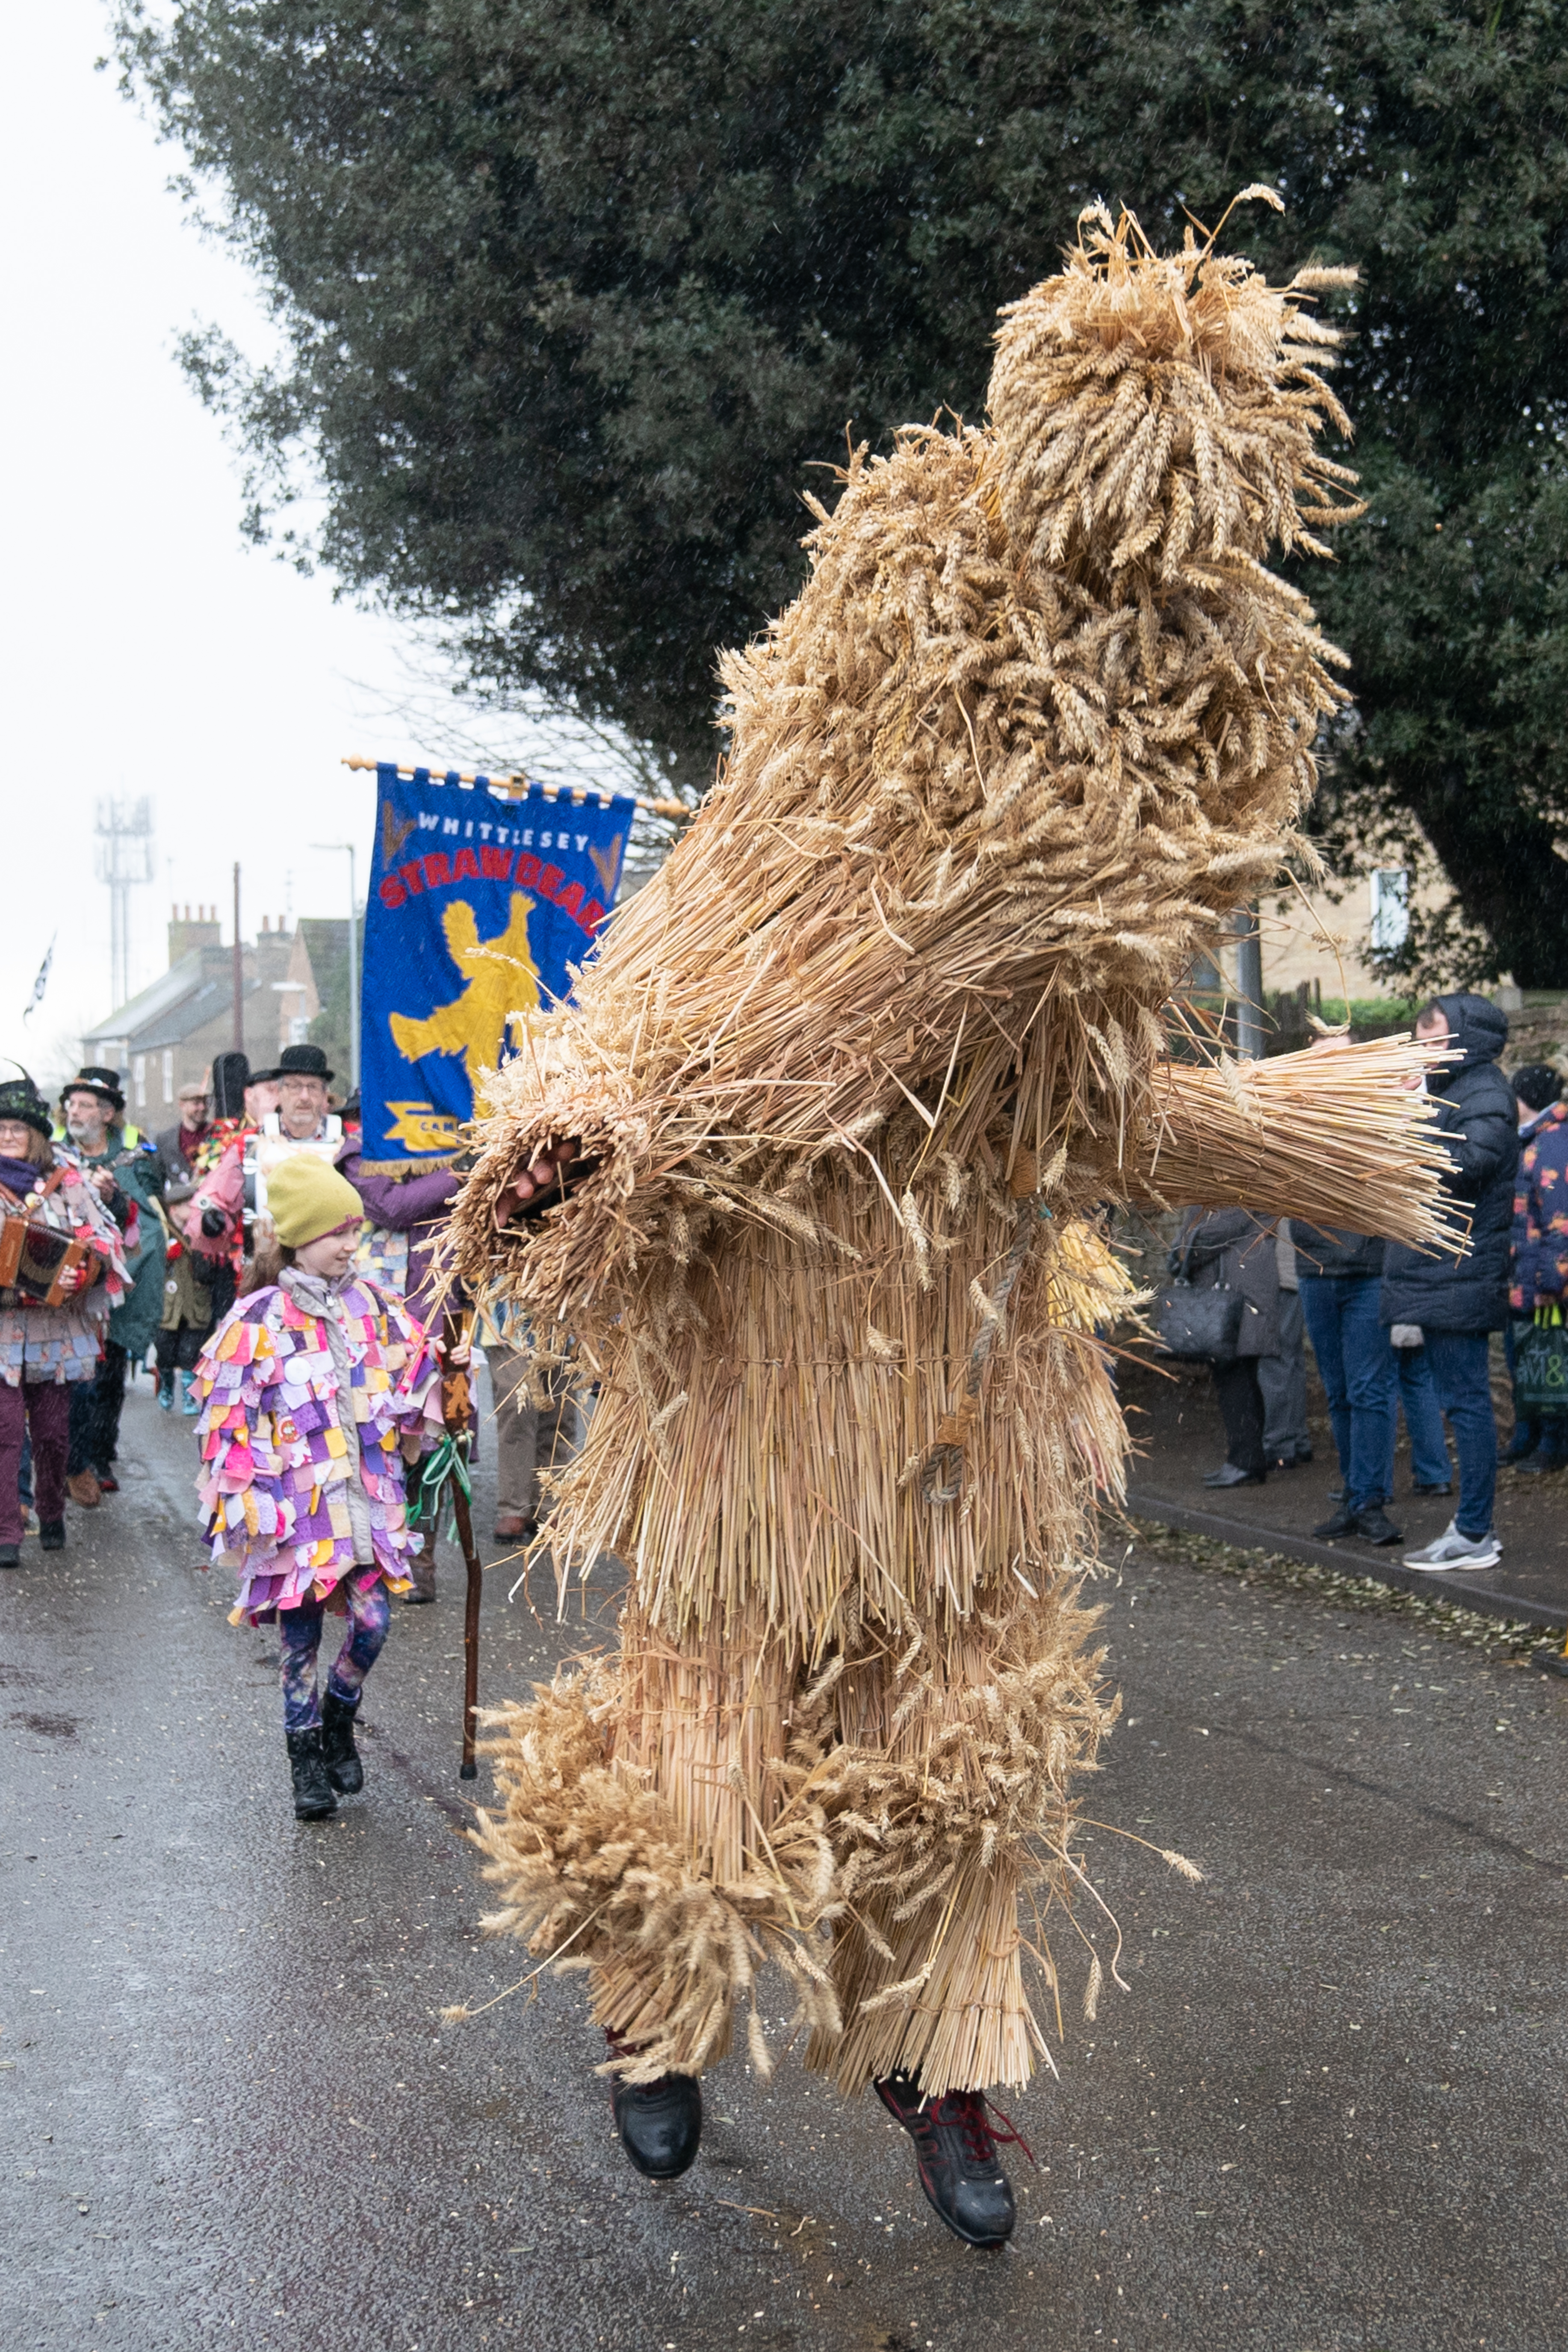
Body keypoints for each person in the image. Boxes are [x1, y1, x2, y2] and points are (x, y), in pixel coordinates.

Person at [189, 1154, 441, 1819]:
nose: (350, 1246)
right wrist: (248, 1496)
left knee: (374, 1625)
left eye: (355, 1232)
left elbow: (413, 1371)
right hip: (295, 1517)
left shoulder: (376, 1306)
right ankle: (304, 1760)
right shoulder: (257, 1318)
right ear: (301, 1236)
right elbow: (228, 1413)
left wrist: (448, 1371)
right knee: (297, 1643)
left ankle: (340, 1712)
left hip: (366, 1506)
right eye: (338, 1234)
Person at [1389, 995, 1520, 1573]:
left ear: (1469, 1038)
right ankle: (1471, 1529)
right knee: (1457, 1403)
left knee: (1466, 1406)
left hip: (1461, 1274)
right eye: (1420, 1040)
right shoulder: (1454, 1092)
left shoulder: (1486, 1093)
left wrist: (1414, 1110)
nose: (1425, 1050)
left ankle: (1473, 1533)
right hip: (1441, 1274)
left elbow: (1467, 1165)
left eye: (1436, 1039)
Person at [0, 1075, 129, 1567]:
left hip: (56, 1328)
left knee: (54, 1434)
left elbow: (106, 1239)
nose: (9, 1135)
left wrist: (86, 1270)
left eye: (19, 1128)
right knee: (5, 1430)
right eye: (2, 1127)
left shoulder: (66, 1178)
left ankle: (52, 1509)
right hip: (3, 1330)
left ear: (36, 1134)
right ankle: (8, 1528)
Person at [337, 1148, 467, 1602]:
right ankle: (374, 1557)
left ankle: (420, 1565)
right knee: (379, 1447)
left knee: (440, 1449)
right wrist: (458, 1174)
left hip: (447, 1325)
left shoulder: (453, 1148)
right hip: (379, 1335)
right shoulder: (359, 1156)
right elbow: (393, 1208)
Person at [55, 1067, 166, 1504]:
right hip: (73, 1287)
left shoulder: (134, 1158)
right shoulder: (57, 1156)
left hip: (124, 1281)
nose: (73, 1111)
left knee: (109, 1374)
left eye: (83, 1104)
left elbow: (150, 1215)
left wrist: (118, 1198)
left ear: (106, 1113)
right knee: (74, 1377)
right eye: (71, 1104)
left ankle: (99, 1457)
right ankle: (73, 1458)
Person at [1173, 1207, 1280, 1489]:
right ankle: (1246, 1459)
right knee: (1237, 1378)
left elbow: (1215, 1231)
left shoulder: (1243, 1187)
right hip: (1236, 1295)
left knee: (1235, 1378)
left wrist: (1181, 1252)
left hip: (1237, 1298)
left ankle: (1245, 1462)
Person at [1507, 1064, 1568, 1474]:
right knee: (1524, 1356)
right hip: (1525, 1276)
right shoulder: (1532, 1139)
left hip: (1544, 1282)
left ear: (1523, 1098)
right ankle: (1527, 1436)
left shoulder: (1549, 1145)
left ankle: (1552, 1444)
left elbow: (1558, 1218)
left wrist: (1552, 1277)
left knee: (1548, 1361)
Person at [1258, 1217, 1312, 1471]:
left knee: (1275, 1360)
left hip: (1279, 1275)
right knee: (1291, 1360)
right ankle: (1297, 1440)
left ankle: (1279, 1445)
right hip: (1294, 1274)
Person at [154, 1078, 213, 1191]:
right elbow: (159, 1181)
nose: (203, 1108)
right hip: (180, 1204)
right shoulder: (165, 1140)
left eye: (205, 1103)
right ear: (182, 1105)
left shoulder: (217, 1135)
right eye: (196, 1104)